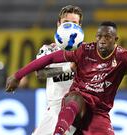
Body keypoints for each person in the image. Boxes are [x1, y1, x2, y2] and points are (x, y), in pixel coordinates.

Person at [6, 21, 127, 135]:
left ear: (115, 40)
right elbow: (50, 59)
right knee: (74, 98)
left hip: (99, 114)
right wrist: (18, 75)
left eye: (107, 37)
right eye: (99, 36)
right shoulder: (84, 50)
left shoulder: (123, 56)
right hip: (76, 104)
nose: (102, 40)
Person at [12, 5, 82, 135]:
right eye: (66, 23)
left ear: (80, 26)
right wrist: (68, 68)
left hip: (78, 112)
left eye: (74, 23)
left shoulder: (86, 52)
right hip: (53, 112)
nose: (71, 27)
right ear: (58, 24)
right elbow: (40, 73)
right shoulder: (48, 50)